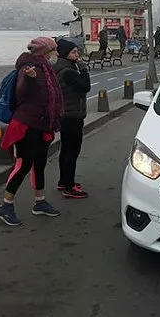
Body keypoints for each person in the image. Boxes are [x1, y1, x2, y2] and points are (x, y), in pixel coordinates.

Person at [0, 37, 64, 226]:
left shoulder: (46, 70)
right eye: (54, 51)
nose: (56, 54)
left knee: (39, 163)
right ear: (44, 53)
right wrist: (29, 78)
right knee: (24, 165)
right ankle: (5, 206)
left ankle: (39, 202)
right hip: (26, 125)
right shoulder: (29, 69)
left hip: (41, 125)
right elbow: (21, 91)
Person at [52, 39, 91, 199]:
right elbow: (85, 87)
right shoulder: (68, 71)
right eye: (74, 52)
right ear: (65, 54)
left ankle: (63, 181)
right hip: (72, 114)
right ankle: (70, 186)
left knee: (66, 149)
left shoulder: (61, 67)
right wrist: (84, 69)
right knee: (72, 151)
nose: (77, 55)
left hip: (65, 114)